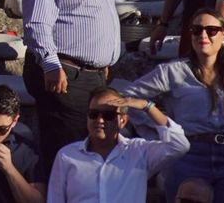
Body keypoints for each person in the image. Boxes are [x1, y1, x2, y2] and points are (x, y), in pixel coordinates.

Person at [20, 0, 123, 179]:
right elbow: (37, 20)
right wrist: (51, 64)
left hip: (89, 75)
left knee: (88, 157)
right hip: (65, 76)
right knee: (70, 157)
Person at [122, 6, 224, 199]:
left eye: (211, 31)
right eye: (196, 30)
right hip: (189, 156)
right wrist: (162, 130)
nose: (203, 35)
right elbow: (128, 96)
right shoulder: (173, 71)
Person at [44, 87, 187, 203]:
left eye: (108, 115)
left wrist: (146, 106)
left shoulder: (138, 152)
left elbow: (179, 145)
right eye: (94, 114)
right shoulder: (67, 155)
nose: (99, 120)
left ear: (123, 121)